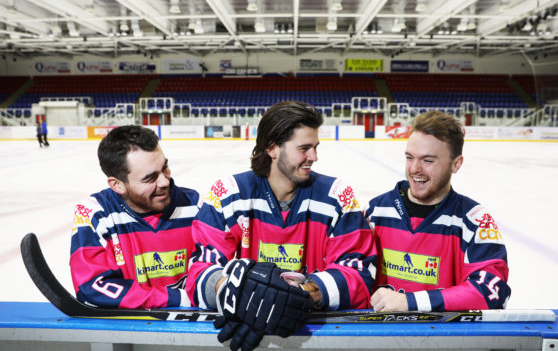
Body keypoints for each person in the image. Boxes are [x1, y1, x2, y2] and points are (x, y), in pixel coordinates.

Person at [186, 100, 374, 350]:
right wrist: (241, 298)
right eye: (304, 148)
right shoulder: (227, 195)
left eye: (316, 147)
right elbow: (199, 269)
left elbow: (359, 274)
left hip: (315, 337)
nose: (314, 157)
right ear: (272, 148)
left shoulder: (338, 196)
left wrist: (302, 294)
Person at [365, 110, 511, 312]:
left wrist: (410, 302)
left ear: (456, 164)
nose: (414, 169)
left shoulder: (475, 221)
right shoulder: (375, 211)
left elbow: (491, 292)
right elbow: (351, 274)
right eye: (410, 157)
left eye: (428, 160)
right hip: (375, 336)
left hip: (443, 341)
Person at [70, 125, 200, 309]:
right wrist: (179, 299)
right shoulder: (95, 213)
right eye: (150, 178)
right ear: (117, 185)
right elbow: (91, 288)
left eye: (165, 168)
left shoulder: (196, 205)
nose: (165, 181)